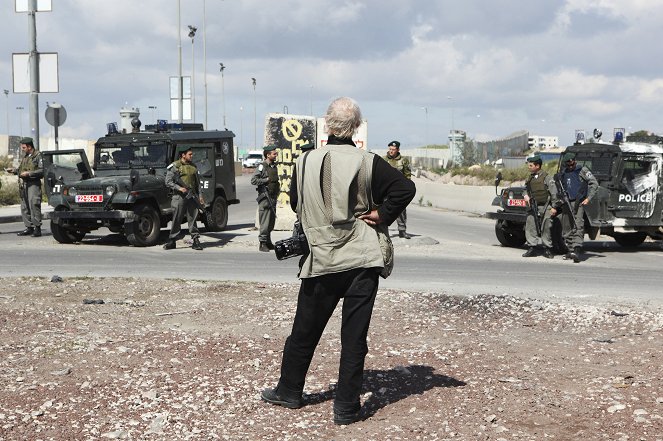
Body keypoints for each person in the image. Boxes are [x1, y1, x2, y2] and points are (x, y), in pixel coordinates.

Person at [261, 97, 416, 425]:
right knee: (354, 337)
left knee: (304, 331)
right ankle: (346, 408)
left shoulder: (304, 162)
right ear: (356, 127)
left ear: (327, 125)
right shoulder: (369, 161)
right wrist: (381, 213)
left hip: (321, 258)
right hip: (362, 259)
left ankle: (289, 391)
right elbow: (405, 189)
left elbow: (294, 201)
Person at [551, 152, 598, 262]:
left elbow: (594, 183)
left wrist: (588, 198)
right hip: (566, 202)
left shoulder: (582, 170)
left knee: (578, 225)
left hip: (578, 202)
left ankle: (577, 249)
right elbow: (558, 188)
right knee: (567, 227)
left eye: (572, 163)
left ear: (575, 161)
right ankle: (570, 250)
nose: (571, 166)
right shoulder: (563, 173)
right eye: (568, 164)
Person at [163, 147, 203, 250]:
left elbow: (198, 183)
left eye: (192, 154)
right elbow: (168, 181)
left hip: (192, 196)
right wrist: (179, 188)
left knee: (192, 218)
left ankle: (196, 240)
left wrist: (201, 196)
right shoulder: (175, 166)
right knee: (177, 219)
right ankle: (172, 241)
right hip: (179, 197)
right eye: (190, 154)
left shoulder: (193, 167)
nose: (192, 156)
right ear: (183, 155)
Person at [6, 137, 43, 237]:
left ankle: (37, 228)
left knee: (34, 204)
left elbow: (42, 170)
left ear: (29, 147)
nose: (22, 149)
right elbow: (21, 170)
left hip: (33, 184)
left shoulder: (38, 156)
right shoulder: (26, 157)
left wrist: (29, 173)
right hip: (24, 184)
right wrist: (14, 171)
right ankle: (29, 227)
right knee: (24, 206)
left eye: (23, 147)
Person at [522, 155, 557, 259]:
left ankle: (547, 249)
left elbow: (554, 192)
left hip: (546, 206)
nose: (529, 167)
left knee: (546, 226)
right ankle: (532, 247)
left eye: (531, 165)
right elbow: (525, 189)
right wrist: (525, 195)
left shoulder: (547, 177)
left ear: (537, 166)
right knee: (531, 225)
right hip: (533, 205)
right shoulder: (530, 178)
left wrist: (554, 206)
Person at [250, 145, 279, 252]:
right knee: (265, 222)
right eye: (274, 154)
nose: (276, 155)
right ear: (268, 155)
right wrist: (265, 180)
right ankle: (262, 243)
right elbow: (253, 180)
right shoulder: (262, 166)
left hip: (272, 197)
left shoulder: (273, 166)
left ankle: (268, 241)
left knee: (271, 222)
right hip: (265, 198)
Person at [383, 140, 412, 238]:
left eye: (393, 149)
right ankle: (383, 230)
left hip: (399, 189)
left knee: (401, 210)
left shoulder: (403, 161)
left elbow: (407, 175)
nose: (391, 151)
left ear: (398, 150)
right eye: (390, 149)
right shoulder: (383, 160)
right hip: (386, 189)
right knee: (384, 209)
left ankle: (402, 230)